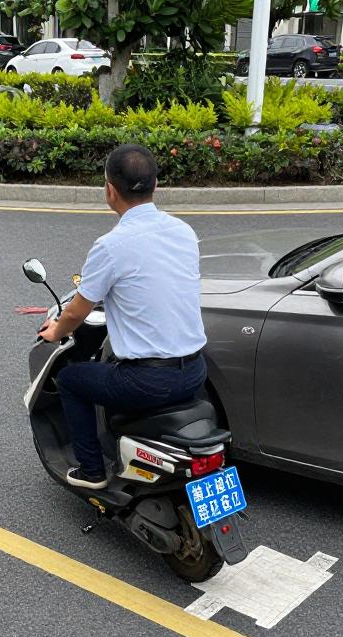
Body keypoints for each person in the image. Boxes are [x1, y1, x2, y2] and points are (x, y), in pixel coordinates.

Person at [37, 144, 207, 490]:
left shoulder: (111, 246)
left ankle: (91, 471)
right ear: (156, 185)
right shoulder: (183, 232)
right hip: (194, 371)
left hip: (149, 381)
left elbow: (77, 311)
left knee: (72, 381)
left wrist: (55, 331)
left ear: (110, 191)